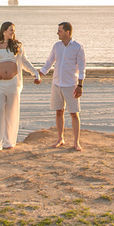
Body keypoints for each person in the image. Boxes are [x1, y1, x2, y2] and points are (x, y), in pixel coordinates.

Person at [0, 21, 41, 152]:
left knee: (12, 112)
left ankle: (9, 142)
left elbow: (25, 62)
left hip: (13, 83)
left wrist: (36, 73)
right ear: (4, 31)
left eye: (14, 30)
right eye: (11, 30)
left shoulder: (17, 45)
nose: (13, 32)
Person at [40, 21, 86, 151]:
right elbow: (49, 61)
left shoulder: (77, 47)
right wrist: (41, 74)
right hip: (57, 84)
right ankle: (60, 138)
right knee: (59, 111)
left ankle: (76, 142)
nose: (57, 33)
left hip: (71, 85)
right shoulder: (57, 46)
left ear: (67, 32)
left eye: (59, 31)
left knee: (74, 113)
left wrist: (80, 85)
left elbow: (82, 68)